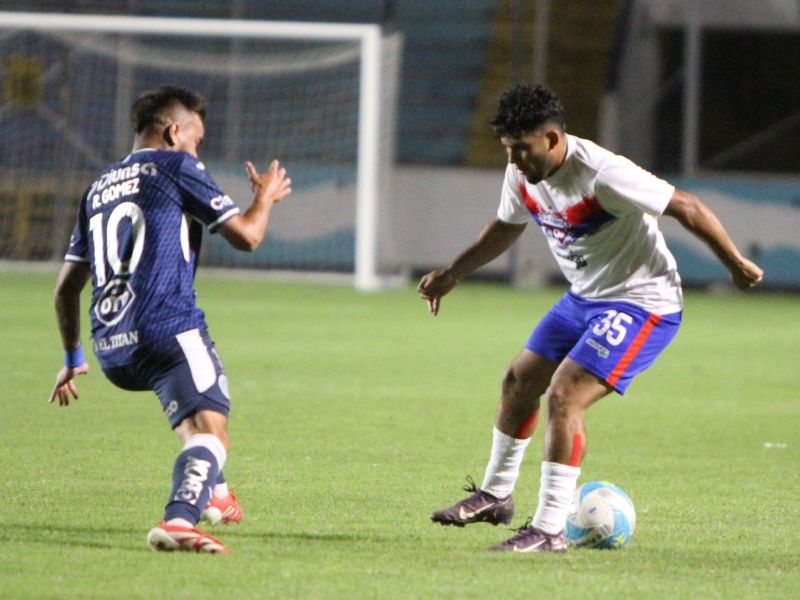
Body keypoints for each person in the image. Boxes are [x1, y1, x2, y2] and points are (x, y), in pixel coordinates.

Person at [417, 84, 763, 553]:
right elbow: (508, 224)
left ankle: (549, 529)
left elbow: (686, 206)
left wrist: (736, 264)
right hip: (585, 296)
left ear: (554, 138)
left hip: (643, 302)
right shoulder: (522, 172)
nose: (515, 159)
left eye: (523, 148)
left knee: (565, 394)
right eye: (508, 149)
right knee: (519, 381)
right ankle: (496, 496)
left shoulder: (602, 173)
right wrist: (453, 272)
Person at [50, 86, 292, 554]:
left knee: (193, 416)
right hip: (168, 328)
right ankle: (179, 519)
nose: (197, 151)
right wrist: (265, 199)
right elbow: (247, 237)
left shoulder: (96, 188)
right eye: (196, 140)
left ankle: (216, 496)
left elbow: (65, 289)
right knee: (211, 429)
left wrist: (71, 356)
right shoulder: (177, 165)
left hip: (112, 348)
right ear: (174, 130)